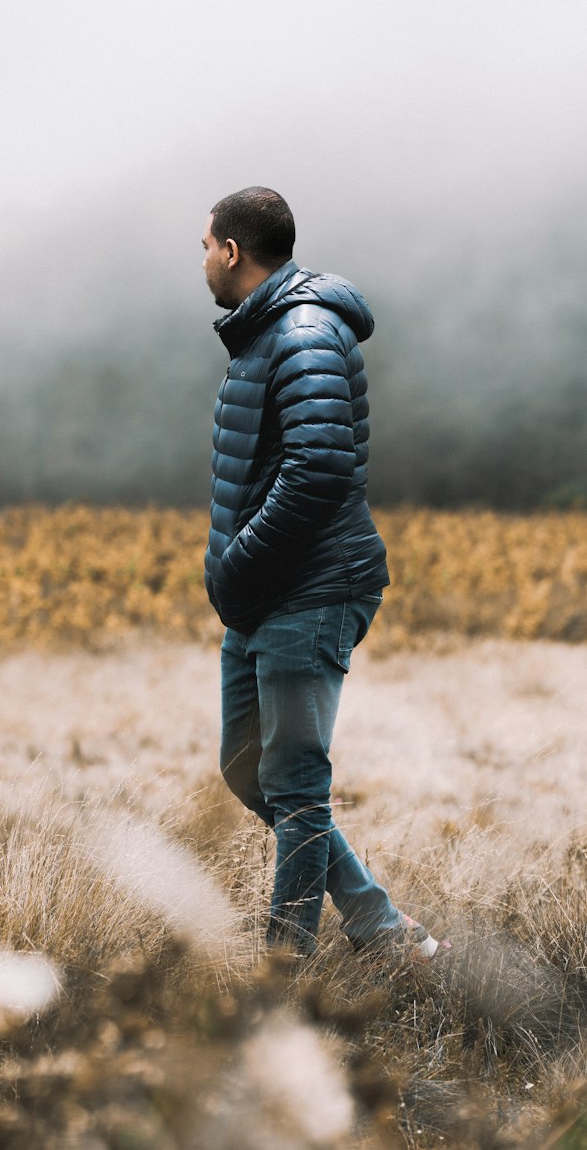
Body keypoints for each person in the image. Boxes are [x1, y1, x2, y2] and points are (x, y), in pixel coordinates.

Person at [201, 185, 438, 960]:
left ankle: (285, 975)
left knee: (297, 788)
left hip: (312, 586)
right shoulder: (266, 332)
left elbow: (317, 469)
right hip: (268, 595)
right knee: (247, 766)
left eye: (205, 246)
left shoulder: (301, 332)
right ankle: (379, 924)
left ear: (232, 252)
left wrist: (238, 564)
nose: (201, 261)